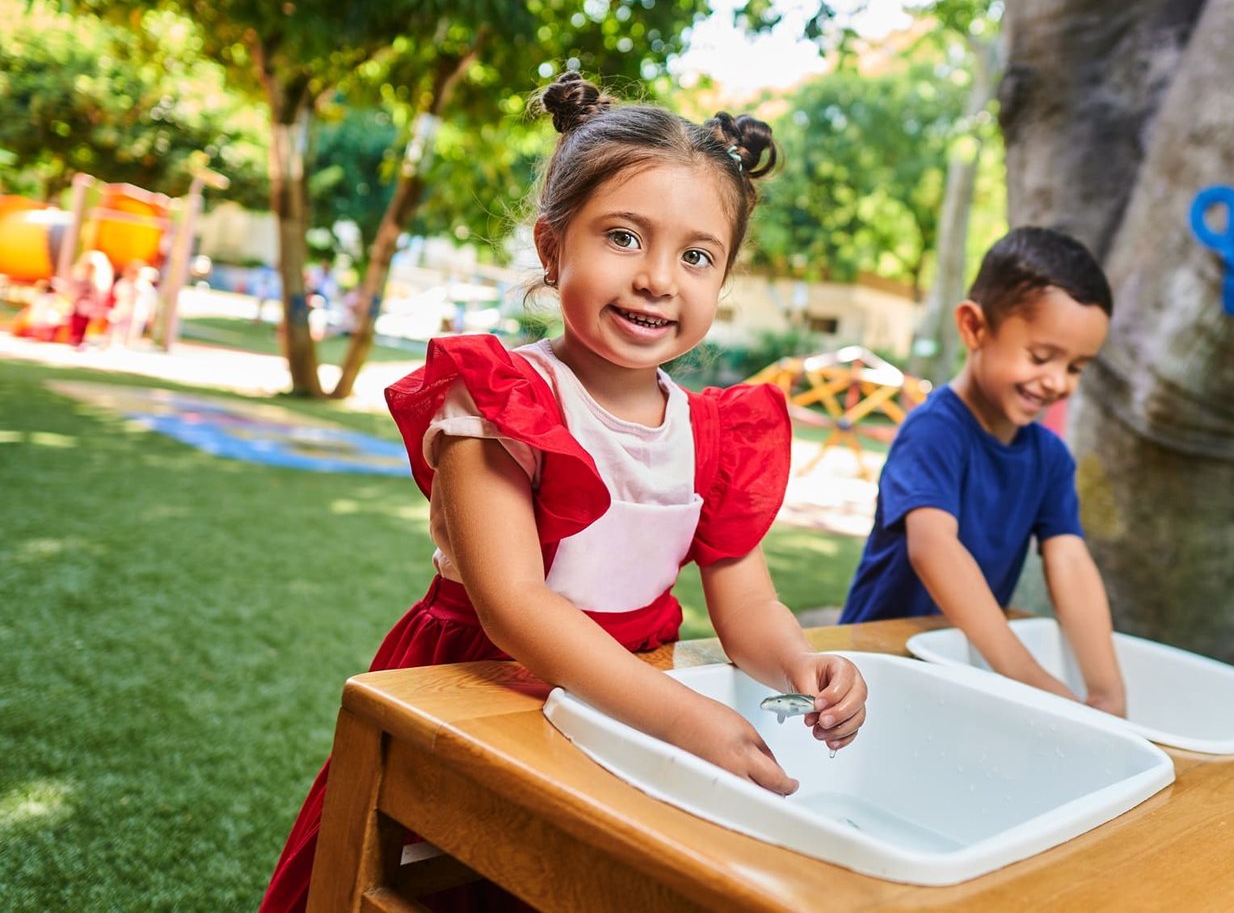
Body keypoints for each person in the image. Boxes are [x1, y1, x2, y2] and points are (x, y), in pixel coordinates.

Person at [260, 70, 867, 912]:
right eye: (624, 237)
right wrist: (687, 721)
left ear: (720, 282)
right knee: (440, 880)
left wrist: (803, 666)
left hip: (630, 695)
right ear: (553, 249)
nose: (659, 277)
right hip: (486, 682)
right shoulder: (505, 398)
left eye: (697, 256)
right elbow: (514, 606)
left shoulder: (714, 434)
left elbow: (747, 606)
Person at [839, 225, 1127, 717]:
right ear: (975, 328)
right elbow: (934, 548)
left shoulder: (1050, 458)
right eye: (1041, 356)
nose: (1057, 381)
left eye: (1077, 367)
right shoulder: (934, 431)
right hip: (875, 669)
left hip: (957, 668)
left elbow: (1071, 563)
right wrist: (1031, 679)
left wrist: (1106, 690)